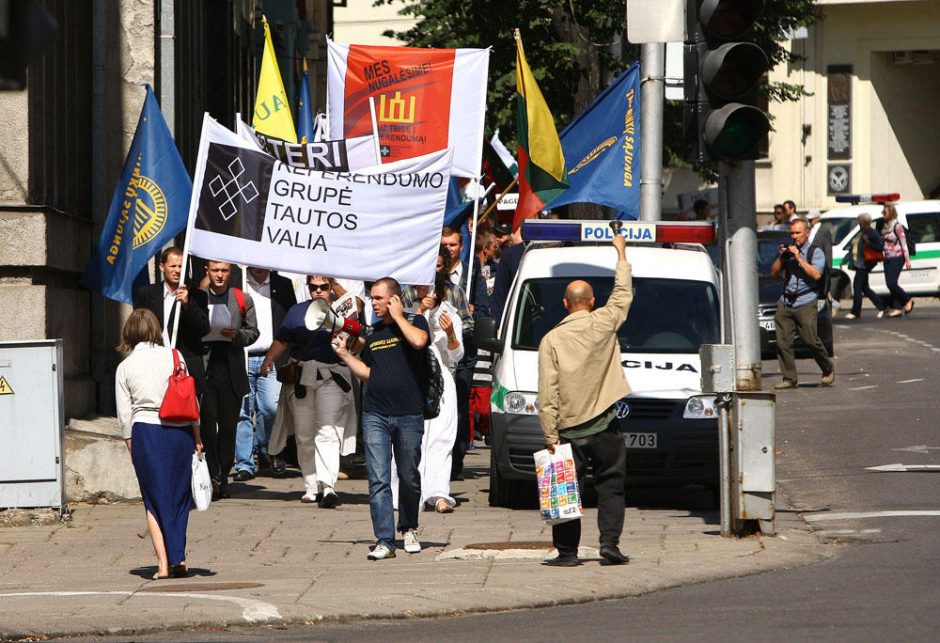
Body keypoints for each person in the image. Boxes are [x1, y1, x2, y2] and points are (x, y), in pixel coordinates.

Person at [537, 234, 632, 567]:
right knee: (611, 485)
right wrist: (620, 253)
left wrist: (550, 434)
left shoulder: (551, 339)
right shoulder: (605, 323)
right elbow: (622, 295)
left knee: (565, 490)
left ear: (566, 304)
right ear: (592, 301)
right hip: (606, 423)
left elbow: (547, 393)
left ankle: (567, 553)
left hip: (569, 429)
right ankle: (609, 544)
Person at [334, 277, 430, 560]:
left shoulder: (415, 322)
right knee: (378, 478)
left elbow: (418, 342)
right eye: (372, 298)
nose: (373, 303)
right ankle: (384, 539)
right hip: (375, 412)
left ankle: (409, 527)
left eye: (378, 298)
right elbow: (367, 373)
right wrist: (344, 354)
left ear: (395, 298)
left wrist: (399, 316)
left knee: (409, 476)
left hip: (409, 413)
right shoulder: (372, 334)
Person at [115, 309, 202, 580]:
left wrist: (130, 444)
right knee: (178, 497)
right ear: (156, 329)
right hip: (180, 432)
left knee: (154, 500)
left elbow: (124, 414)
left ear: (128, 332)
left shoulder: (125, 366)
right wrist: (197, 437)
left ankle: (163, 565)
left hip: (146, 433)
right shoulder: (174, 356)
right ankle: (181, 557)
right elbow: (191, 398)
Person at [262, 276, 353, 508]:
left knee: (327, 429)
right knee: (304, 434)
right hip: (302, 376)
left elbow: (357, 325)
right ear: (308, 288)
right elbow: (283, 339)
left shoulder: (342, 307)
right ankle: (311, 485)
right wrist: (269, 358)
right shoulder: (296, 311)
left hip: (331, 376)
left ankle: (328, 484)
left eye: (324, 286)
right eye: (314, 287)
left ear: (330, 287)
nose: (318, 291)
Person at [393, 269, 464, 513]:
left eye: (429, 283)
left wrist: (452, 334)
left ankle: (438, 493)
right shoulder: (404, 312)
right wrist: (421, 311)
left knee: (441, 438)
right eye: (420, 283)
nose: (424, 289)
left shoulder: (449, 313)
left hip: (440, 379)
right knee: (409, 438)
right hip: (410, 376)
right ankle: (407, 492)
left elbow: (457, 354)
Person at [200, 260, 259, 499]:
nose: (220, 275)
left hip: (231, 371)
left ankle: (223, 473)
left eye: (224, 271)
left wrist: (238, 335)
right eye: (215, 270)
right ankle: (211, 474)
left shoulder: (242, 299)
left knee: (227, 428)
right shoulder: (197, 297)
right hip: (205, 370)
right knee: (206, 427)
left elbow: (254, 332)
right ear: (208, 272)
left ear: (230, 273)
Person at [233, 267, 296, 481]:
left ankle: (272, 450)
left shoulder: (283, 285)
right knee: (242, 412)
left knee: (272, 408)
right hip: (242, 356)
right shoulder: (237, 282)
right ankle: (244, 464)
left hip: (272, 357)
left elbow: (290, 323)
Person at [134, 247, 210, 395]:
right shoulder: (146, 294)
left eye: (181, 266)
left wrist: (188, 305)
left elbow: (203, 329)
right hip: (155, 364)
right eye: (173, 266)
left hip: (185, 367)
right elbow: (139, 330)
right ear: (162, 267)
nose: (177, 270)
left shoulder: (197, 296)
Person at [770, 219, 835, 389]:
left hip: (806, 300)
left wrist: (799, 258)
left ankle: (827, 368)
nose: (794, 236)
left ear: (806, 233)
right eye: (792, 233)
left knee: (810, 340)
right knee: (782, 342)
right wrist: (782, 257)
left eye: (797, 233)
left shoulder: (815, 252)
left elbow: (816, 275)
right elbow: (774, 272)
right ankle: (789, 378)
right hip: (786, 300)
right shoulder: (788, 251)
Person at [844, 213, 886, 320]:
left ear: (864, 222)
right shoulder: (860, 232)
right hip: (859, 263)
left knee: (857, 287)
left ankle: (855, 311)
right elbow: (853, 247)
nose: (858, 223)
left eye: (860, 221)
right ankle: (882, 307)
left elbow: (880, 247)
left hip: (865, 264)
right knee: (865, 288)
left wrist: (869, 242)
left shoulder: (872, 233)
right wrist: (845, 260)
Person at [879, 204, 914, 317]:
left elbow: (903, 243)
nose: (883, 214)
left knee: (892, 283)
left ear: (891, 212)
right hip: (887, 257)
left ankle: (907, 300)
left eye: (885, 212)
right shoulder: (885, 226)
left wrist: (907, 259)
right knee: (890, 284)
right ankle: (897, 307)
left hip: (897, 257)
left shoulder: (897, 226)